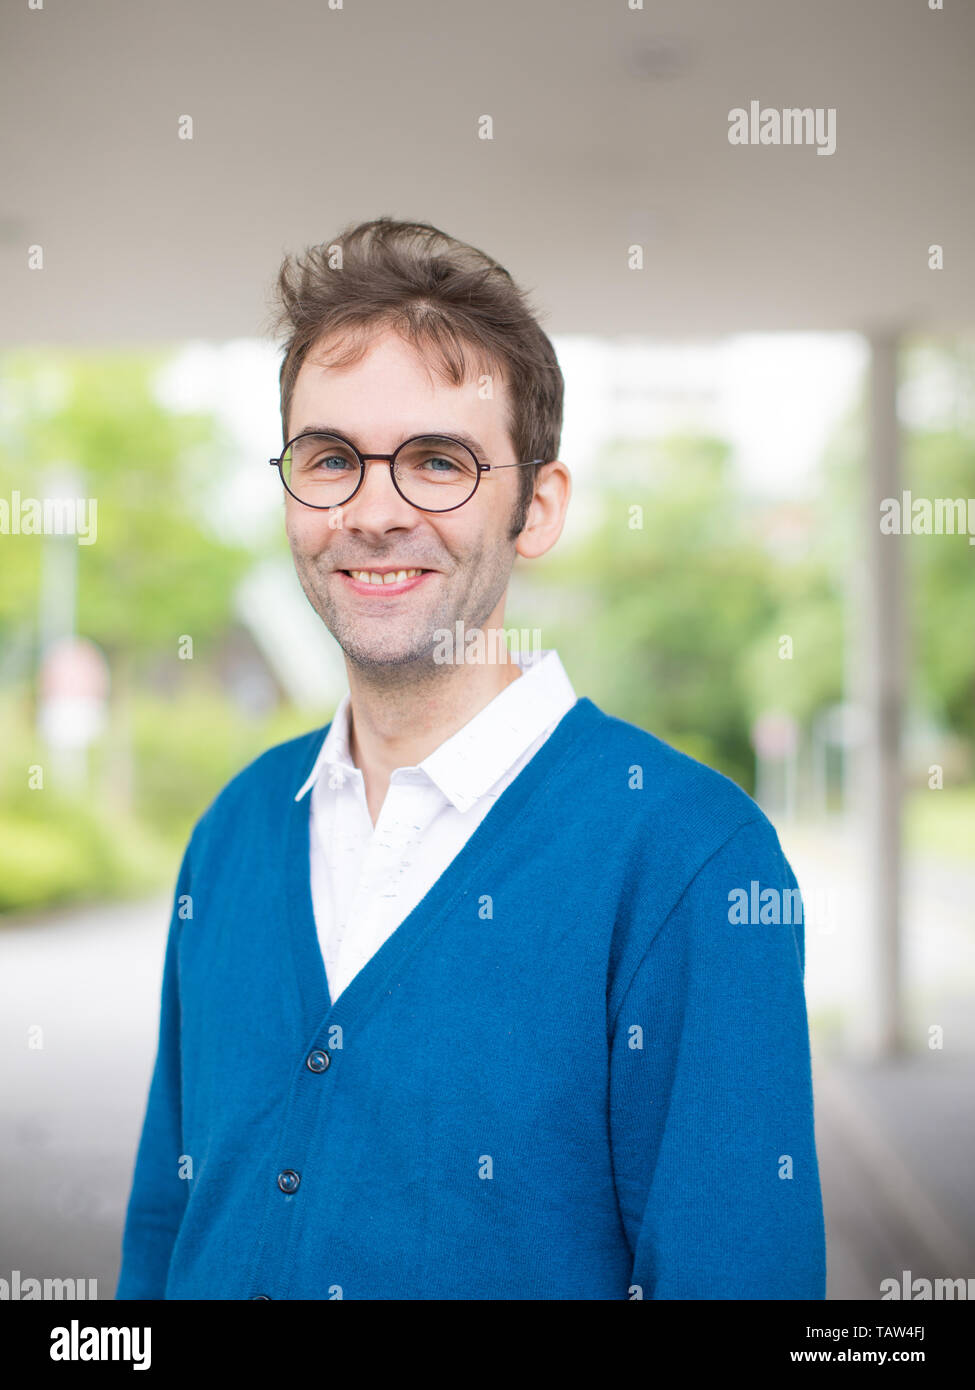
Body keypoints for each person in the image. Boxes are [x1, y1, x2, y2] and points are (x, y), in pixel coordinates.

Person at [115, 217, 826, 1300]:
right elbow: (164, 1229)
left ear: (537, 508)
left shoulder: (691, 858)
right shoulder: (233, 831)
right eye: (332, 459)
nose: (375, 509)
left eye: (438, 462)